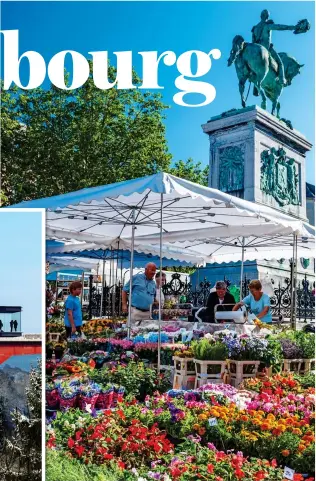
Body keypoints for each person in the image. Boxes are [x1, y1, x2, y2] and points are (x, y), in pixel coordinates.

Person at [251, 9, 296, 86]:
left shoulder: (254, 28)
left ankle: (256, 89)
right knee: (280, 63)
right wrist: (294, 27)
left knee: (255, 69)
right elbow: (281, 27)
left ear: (260, 16)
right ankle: (282, 80)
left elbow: (253, 43)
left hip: (256, 50)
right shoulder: (267, 25)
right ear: (267, 17)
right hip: (267, 48)